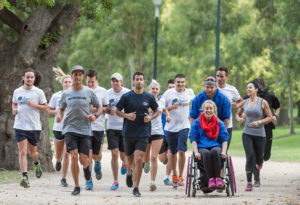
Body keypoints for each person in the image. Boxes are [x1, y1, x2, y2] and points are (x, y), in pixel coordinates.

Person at [57, 65, 102, 195]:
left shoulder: (89, 92)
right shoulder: (66, 93)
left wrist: (95, 116)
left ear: (82, 76)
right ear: (71, 76)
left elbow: (99, 108)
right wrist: (60, 115)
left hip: (85, 130)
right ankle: (77, 186)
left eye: (79, 74)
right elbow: (61, 107)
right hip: (70, 128)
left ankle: (87, 172)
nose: (77, 76)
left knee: (84, 159)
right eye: (75, 74)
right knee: (74, 156)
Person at [116, 71, 158, 197]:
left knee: (138, 159)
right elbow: (117, 110)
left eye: (141, 79)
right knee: (129, 159)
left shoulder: (149, 97)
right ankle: (129, 172)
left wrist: (150, 118)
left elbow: (156, 111)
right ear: (133, 81)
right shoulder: (126, 96)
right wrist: (126, 115)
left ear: (143, 81)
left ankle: (136, 187)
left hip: (143, 133)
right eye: (137, 79)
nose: (139, 81)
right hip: (128, 133)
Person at [12, 68, 48, 188]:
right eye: (27, 77)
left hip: (34, 127)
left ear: (34, 79)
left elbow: (45, 107)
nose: (29, 79)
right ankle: (25, 177)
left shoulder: (38, 92)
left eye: (31, 77)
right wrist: (14, 109)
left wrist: (34, 105)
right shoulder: (17, 91)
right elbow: (14, 102)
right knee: (22, 152)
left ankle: (36, 163)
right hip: (20, 125)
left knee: (33, 153)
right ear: (23, 78)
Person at [235, 81, 272, 191]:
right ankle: (249, 182)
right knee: (250, 156)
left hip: (260, 135)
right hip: (247, 133)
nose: (248, 89)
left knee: (259, 158)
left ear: (256, 89)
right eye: (247, 88)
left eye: (250, 87)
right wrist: (240, 119)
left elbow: (270, 117)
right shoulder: (244, 102)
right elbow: (237, 114)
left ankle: (259, 164)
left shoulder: (263, 102)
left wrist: (259, 122)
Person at [244, 78, 280, 187]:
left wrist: (275, 116)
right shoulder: (247, 98)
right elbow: (241, 106)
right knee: (252, 155)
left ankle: (261, 160)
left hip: (266, 128)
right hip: (251, 130)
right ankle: (256, 180)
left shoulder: (269, 96)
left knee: (265, 155)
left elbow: (277, 107)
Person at [162, 74, 195, 188]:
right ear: (175, 83)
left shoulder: (190, 92)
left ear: (185, 82)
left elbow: (195, 104)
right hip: (171, 127)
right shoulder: (168, 93)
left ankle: (181, 176)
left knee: (181, 151)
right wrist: (169, 111)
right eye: (178, 82)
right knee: (172, 153)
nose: (180, 84)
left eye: (182, 82)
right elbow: (161, 108)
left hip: (184, 126)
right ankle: (174, 174)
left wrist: (193, 118)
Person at [189, 100, 229, 189]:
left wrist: (224, 151)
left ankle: (218, 178)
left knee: (215, 151)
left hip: (216, 146)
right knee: (206, 153)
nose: (209, 110)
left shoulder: (219, 123)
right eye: (207, 108)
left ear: (214, 110)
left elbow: (224, 139)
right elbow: (193, 138)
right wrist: (196, 152)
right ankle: (211, 179)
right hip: (202, 147)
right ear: (203, 109)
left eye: (211, 108)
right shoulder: (197, 122)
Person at [143, 79, 171, 191]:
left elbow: (164, 110)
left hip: (158, 132)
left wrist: (168, 116)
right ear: (149, 90)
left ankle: (152, 181)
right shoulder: (144, 101)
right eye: (152, 89)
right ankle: (146, 163)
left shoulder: (161, 101)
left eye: (156, 89)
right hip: (145, 132)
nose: (154, 90)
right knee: (146, 158)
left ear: (159, 90)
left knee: (154, 156)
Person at [85, 69, 109, 190]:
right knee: (88, 154)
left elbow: (107, 107)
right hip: (85, 128)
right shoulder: (83, 91)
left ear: (96, 80)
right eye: (88, 81)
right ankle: (89, 180)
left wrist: (98, 110)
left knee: (96, 155)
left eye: (92, 82)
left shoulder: (103, 91)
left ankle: (98, 163)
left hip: (99, 127)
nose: (90, 84)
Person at [48, 67, 72, 187]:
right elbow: (48, 110)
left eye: (69, 82)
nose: (67, 84)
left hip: (71, 128)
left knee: (67, 153)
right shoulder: (56, 96)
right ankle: (58, 160)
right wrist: (57, 111)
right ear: (62, 83)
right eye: (65, 82)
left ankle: (63, 178)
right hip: (58, 128)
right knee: (59, 154)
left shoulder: (75, 95)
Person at [106, 72, 130, 190]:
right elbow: (103, 107)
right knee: (114, 153)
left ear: (121, 82)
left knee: (123, 155)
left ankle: (125, 164)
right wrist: (107, 111)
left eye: (117, 81)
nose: (115, 83)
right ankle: (115, 181)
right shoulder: (107, 93)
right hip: (111, 128)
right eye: (113, 81)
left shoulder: (127, 93)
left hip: (124, 127)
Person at [216, 67, 243, 147]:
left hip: (227, 124)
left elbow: (241, 101)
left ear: (226, 77)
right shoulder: (212, 88)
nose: (219, 78)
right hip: (212, 124)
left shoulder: (232, 89)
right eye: (217, 76)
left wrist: (237, 105)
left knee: (224, 149)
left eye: (221, 76)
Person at [158, 79, 175, 186]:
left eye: (173, 87)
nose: (172, 89)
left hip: (173, 131)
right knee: (161, 158)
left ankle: (167, 177)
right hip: (162, 132)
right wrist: (172, 107)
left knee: (171, 153)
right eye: (170, 87)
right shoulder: (162, 98)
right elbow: (160, 108)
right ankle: (167, 160)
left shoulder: (179, 99)